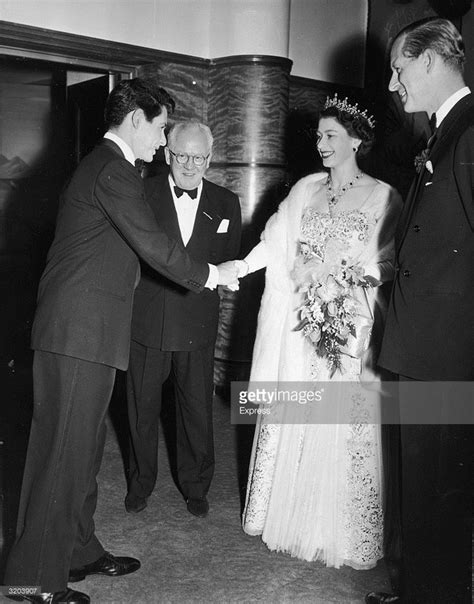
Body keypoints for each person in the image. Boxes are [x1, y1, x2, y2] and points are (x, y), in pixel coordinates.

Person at [3, 78, 238, 604]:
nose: (162, 140)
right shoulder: (113, 169)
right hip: (77, 332)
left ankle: (79, 551)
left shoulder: (111, 167)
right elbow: (156, 246)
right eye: (159, 127)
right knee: (61, 453)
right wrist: (213, 275)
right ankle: (32, 580)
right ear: (135, 119)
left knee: (81, 451)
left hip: (90, 330)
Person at [239, 95, 402, 569]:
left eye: (330, 135)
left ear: (357, 140)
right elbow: (275, 240)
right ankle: (289, 517)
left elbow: (390, 259)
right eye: (317, 136)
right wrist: (239, 267)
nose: (321, 144)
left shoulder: (382, 196)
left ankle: (338, 533)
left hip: (351, 327)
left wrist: (346, 276)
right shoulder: (306, 189)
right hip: (302, 325)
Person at [366, 17, 474, 604]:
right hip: (424, 345)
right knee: (419, 487)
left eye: (399, 68)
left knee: (439, 493)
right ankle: (416, 589)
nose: (391, 83)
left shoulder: (470, 130)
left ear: (430, 61)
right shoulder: (442, 132)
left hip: (448, 352)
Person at [125, 120, 241, 518]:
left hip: (197, 322)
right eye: (181, 155)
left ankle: (196, 486)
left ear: (209, 159)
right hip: (148, 320)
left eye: (199, 156)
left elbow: (227, 261)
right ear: (167, 154)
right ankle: (140, 483)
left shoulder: (227, 203)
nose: (190, 165)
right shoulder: (141, 192)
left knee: (196, 410)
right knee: (140, 408)